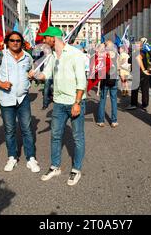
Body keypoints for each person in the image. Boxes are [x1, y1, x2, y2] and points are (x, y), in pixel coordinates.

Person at [29, 27, 87, 186]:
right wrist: (34, 74)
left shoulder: (75, 54)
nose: (43, 41)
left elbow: (82, 80)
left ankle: (76, 169)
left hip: (74, 102)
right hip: (59, 103)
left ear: (53, 38)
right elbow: (45, 75)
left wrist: (77, 102)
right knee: (55, 135)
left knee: (77, 137)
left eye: (45, 37)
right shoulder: (53, 56)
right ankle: (55, 167)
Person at [0, 31, 40, 173]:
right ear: (7, 42)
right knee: (9, 130)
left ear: (21, 42)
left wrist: (32, 76)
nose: (15, 43)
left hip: (23, 98)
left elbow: (31, 73)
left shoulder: (27, 57)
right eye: (12, 40)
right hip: (6, 99)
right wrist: (1, 84)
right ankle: (12, 157)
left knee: (27, 129)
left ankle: (31, 158)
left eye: (18, 40)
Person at [96, 40, 119, 128]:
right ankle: (114, 121)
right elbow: (118, 66)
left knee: (102, 99)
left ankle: (100, 121)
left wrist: (102, 45)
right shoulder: (115, 53)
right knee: (113, 100)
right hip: (114, 77)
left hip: (104, 78)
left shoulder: (102, 54)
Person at [125, 40, 150, 111]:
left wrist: (143, 69)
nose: (134, 46)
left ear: (140, 46)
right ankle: (144, 104)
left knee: (135, 89)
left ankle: (134, 104)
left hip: (139, 73)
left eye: (135, 45)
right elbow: (129, 60)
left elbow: (137, 59)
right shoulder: (145, 52)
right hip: (144, 73)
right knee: (144, 89)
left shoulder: (138, 53)